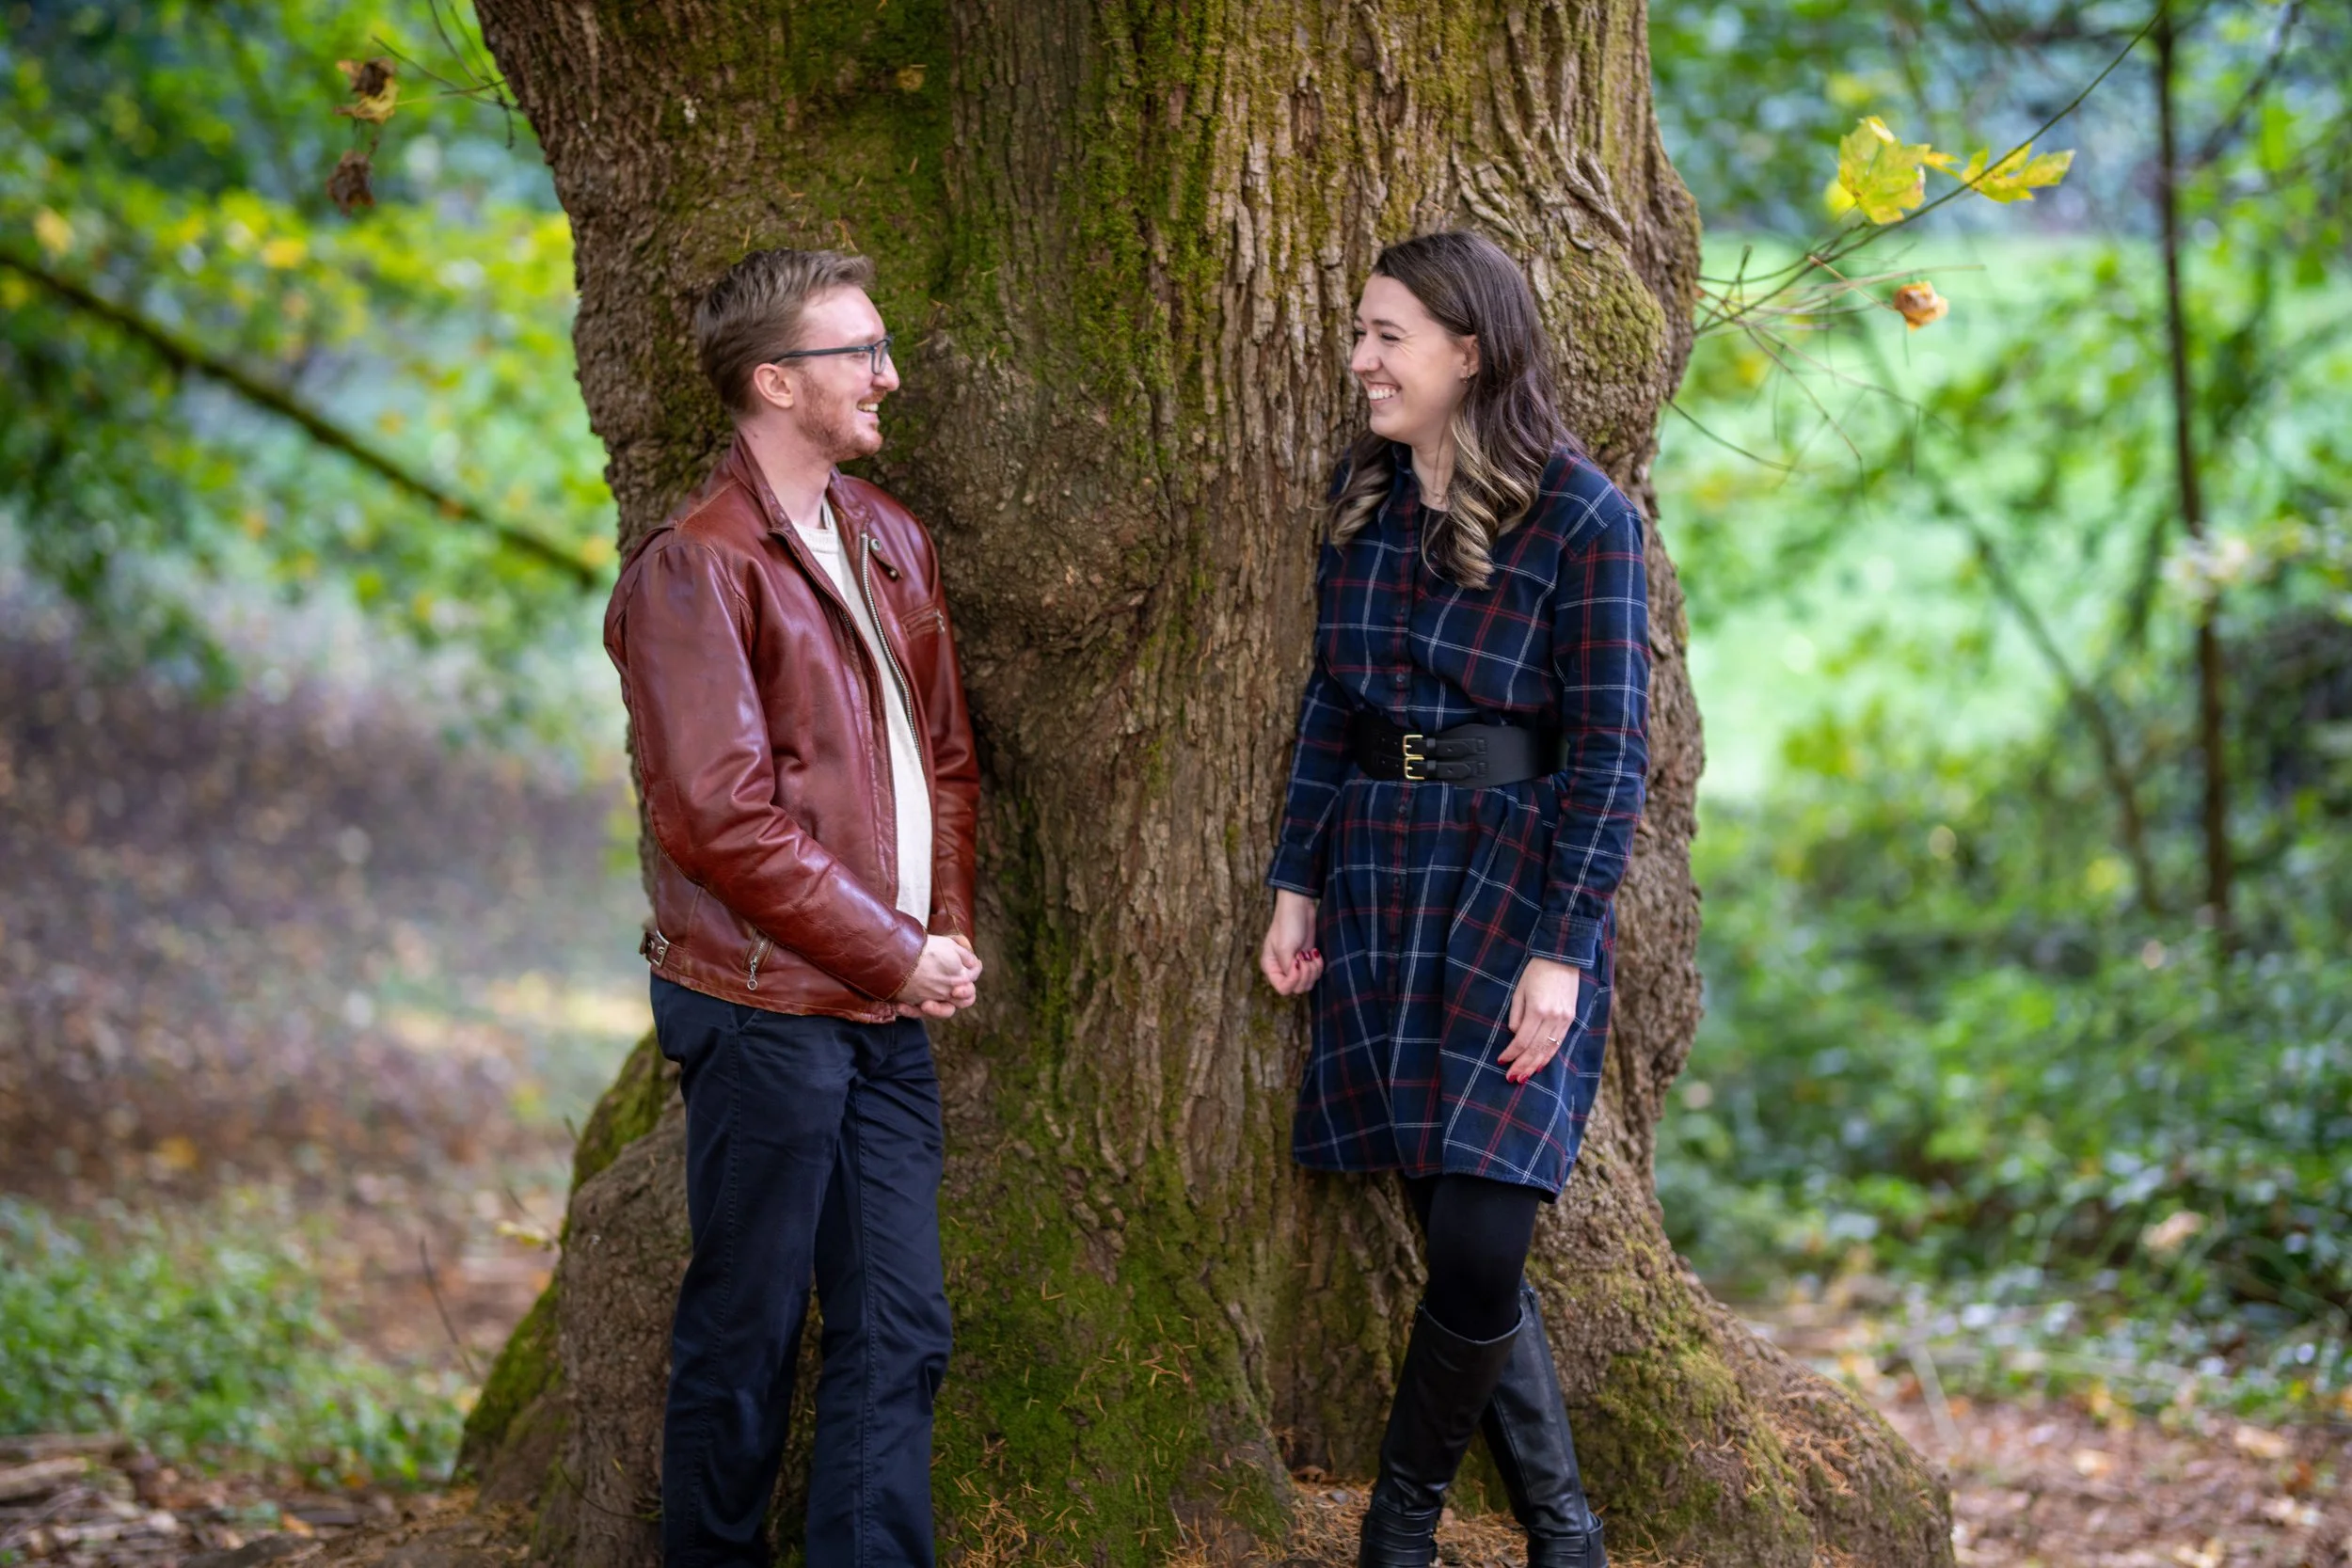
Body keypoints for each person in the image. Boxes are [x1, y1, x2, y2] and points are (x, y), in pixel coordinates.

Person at [1259, 230, 1649, 1568]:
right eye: (1359, 332)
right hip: (1382, 869)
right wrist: (1297, 878)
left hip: (1512, 877)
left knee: (1484, 1235)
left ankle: (1399, 1527)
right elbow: (1333, 704)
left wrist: (1564, 945)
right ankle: (1565, 1530)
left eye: (1386, 336)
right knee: (1448, 1220)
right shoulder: (1365, 502)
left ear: (1468, 351)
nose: (1360, 359)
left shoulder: (1583, 516)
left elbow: (1609, 750)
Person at [603, 246, 985, 1568]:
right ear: (776, 381)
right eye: (859, 353)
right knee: (749, 1328)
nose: (890, 374)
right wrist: (895, 948)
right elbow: (716, 816)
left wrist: (942, 934)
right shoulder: (693, 569)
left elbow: (941, 752)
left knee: (900, 1322)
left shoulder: (889, 535)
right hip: (762, 1003)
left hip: (883, 1000)